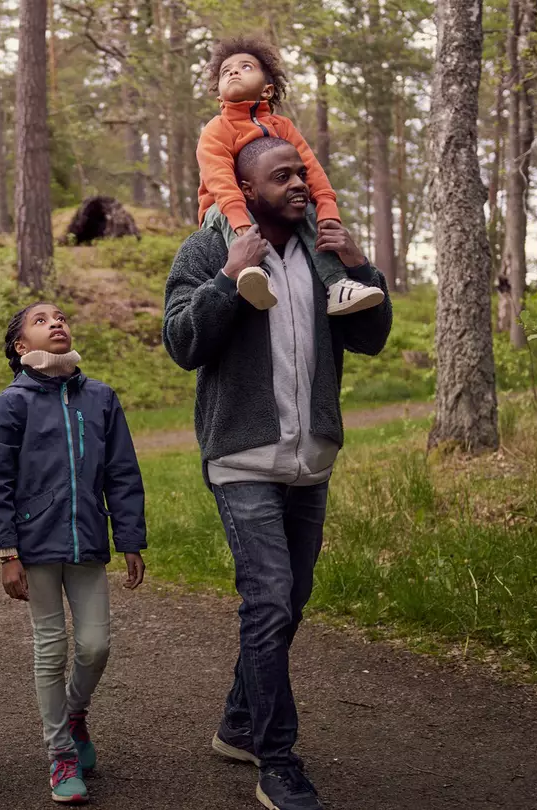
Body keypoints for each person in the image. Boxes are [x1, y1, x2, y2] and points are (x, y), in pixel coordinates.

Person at [163, 137, 393, 810]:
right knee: (267, 600)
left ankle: (239, 722)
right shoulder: (208, 248)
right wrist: (230, 278)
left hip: (310, 459)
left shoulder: (322, 249)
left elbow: (370, 339)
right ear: (244, 185)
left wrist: (361, 267)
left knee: (288, 603)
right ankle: (277, 759)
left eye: (302, 172)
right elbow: (182, 342)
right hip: (242, 459)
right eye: (281, 175)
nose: (300, 183)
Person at [0, 303, 148, 805]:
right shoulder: (10, 404)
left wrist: (130, 539)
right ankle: (61, 755)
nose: (57, 322)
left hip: (89, 540)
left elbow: (122, 472)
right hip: (34, 545)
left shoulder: (100, 398)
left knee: (95, 646)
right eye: (41, 319)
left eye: (61, 316)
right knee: (50, 648)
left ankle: (74, 714)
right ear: (21, 346)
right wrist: (6, 551)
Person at [196, 35, 384, 319]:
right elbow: (220, 183)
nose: (234, 71)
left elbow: (312, 172)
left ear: (268, 90)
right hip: (222, 211)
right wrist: (242, 228)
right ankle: (251, 274)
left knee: (307, 208)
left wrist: (328, 215)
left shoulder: (282, 126)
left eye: (246, 67)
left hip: (272, 212)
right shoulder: (216, 129)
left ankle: (336, 285)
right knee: (225, 206)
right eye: (226, 71)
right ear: (219, 94)